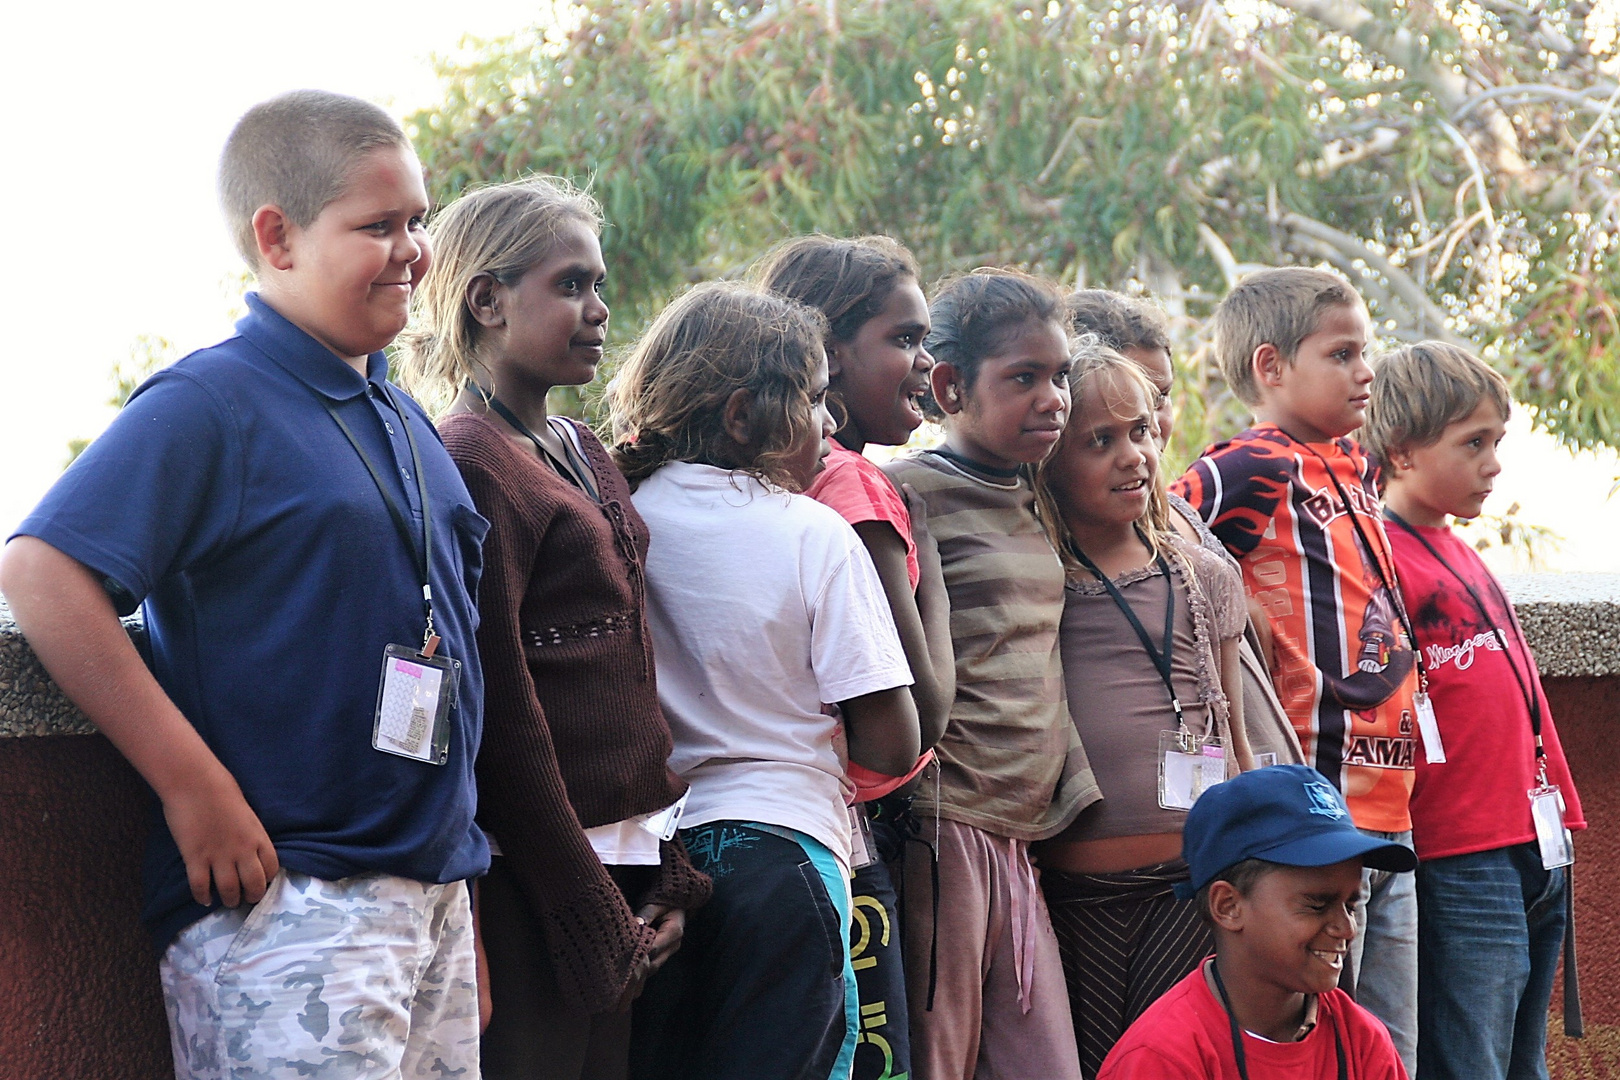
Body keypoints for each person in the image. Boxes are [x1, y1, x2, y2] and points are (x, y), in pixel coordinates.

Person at [0, 90, 489, 1077]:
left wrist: (454, 887)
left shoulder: (401, 416)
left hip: (431, 898)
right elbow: (41, 572)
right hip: (287, 905)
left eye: (419, 222)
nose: (413, 251)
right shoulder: (211, 400)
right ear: (278, 237)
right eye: (378, 226)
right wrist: (195, 788)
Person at [398, 177, 712, 1080]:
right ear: (486, 301)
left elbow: (631, 674)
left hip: (628, 865)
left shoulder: (582, 451)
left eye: (598, 284)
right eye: (570, 285)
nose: (600, 309)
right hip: (536, 876)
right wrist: (584, 901)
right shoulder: (470, 457)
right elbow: (502, 707)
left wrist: (665, 872)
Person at [610, 281, 920, 1080]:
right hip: (784, 863)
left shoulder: (622, 518)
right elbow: (895, 739)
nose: (832, 421)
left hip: (649, 870)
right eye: (817, 399)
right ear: (747, 417)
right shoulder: (811, 533)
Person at [1171, 268, 1421, 1074]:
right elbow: (1162, 544)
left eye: (1366, 351)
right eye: (1341, 352)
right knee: (1316, 1029)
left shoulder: (1357, 470)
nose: (1365, 371)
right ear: (1272, 367)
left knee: (1390, 1043)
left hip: (1391, 804)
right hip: (1312, 804)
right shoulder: (1247, 468)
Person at [751, 233, 956, 1080]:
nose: (923, 361)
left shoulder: (769, 473)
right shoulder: (857, 488)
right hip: (850, 829)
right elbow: (923, 712)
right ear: (828, 354)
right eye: (903, 339)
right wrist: (933, 573)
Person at [884, 268, 1098, 1080]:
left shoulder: (1039, 497)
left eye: (1060, 376)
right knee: (942, 1059)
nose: (1053, 398)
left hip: (1021, 832)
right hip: (946, 823)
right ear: (948, 386)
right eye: (1024, 378)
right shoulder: (910, 496)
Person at [1362, 341, 1586, 1080]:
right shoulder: (1382, 558)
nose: (1494, 463)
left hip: (1532, 836)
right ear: (1401, 450)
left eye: (1497, 442)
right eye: (1474, 443)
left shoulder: (1457, 547)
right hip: (1460, 850)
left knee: (1527, 1056)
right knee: (1472, 1057)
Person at [1030, 342, 1254, 1076]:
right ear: (1049, 462)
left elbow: (1236, 737)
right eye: (1101, 441)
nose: (1134, 457)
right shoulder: (1039, 578)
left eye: (1142, 434)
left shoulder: (1201, 575)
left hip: (1190, 888)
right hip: (1070, 891)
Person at [1067, 289, 1301, 769]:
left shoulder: (1184, 518)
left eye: (1162, 397)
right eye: (1125, 405)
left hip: (1255, 778)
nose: (1152, 425)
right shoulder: (1073, 553)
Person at [1097, 764, 1415, 1079]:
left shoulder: (1362, 1041)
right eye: (1317, 905)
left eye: (1351, 903)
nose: (1347, 928)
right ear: (1229, 906)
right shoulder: (1161, 1058)